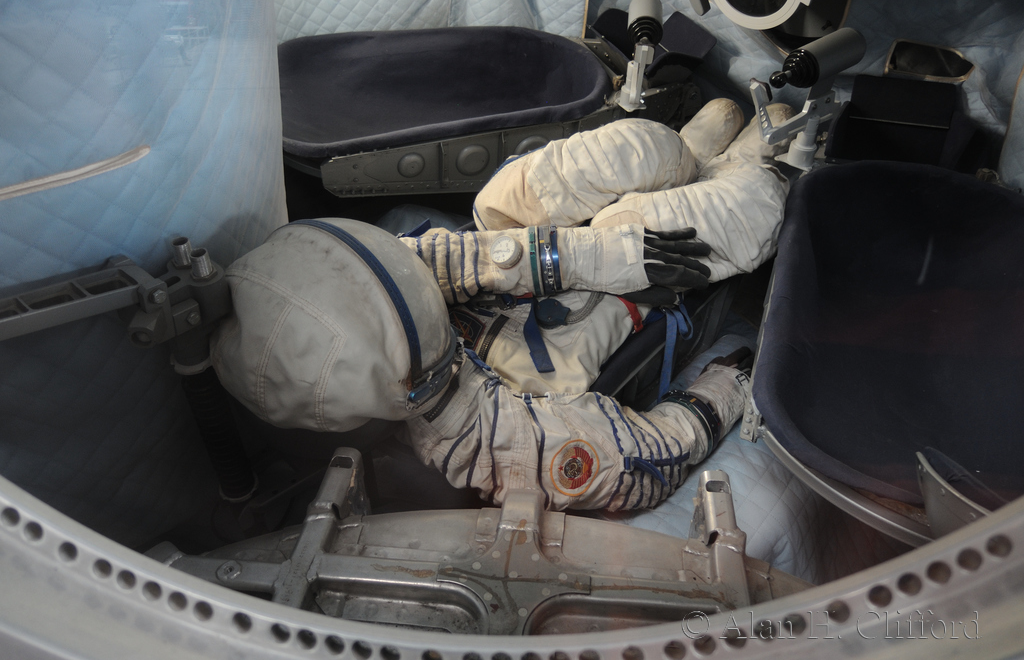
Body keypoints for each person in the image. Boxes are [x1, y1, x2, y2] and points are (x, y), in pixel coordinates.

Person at [211, 99, 794, 511]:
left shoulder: (375, 281)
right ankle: (741, 172)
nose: (405, 260)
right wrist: (724, 389)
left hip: (565, 255)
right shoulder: (486, 442)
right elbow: (643, 463)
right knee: (742, 203)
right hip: (605, 307)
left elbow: (453, 258)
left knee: (526, 192)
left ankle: (680, 158)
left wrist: (592, 254)